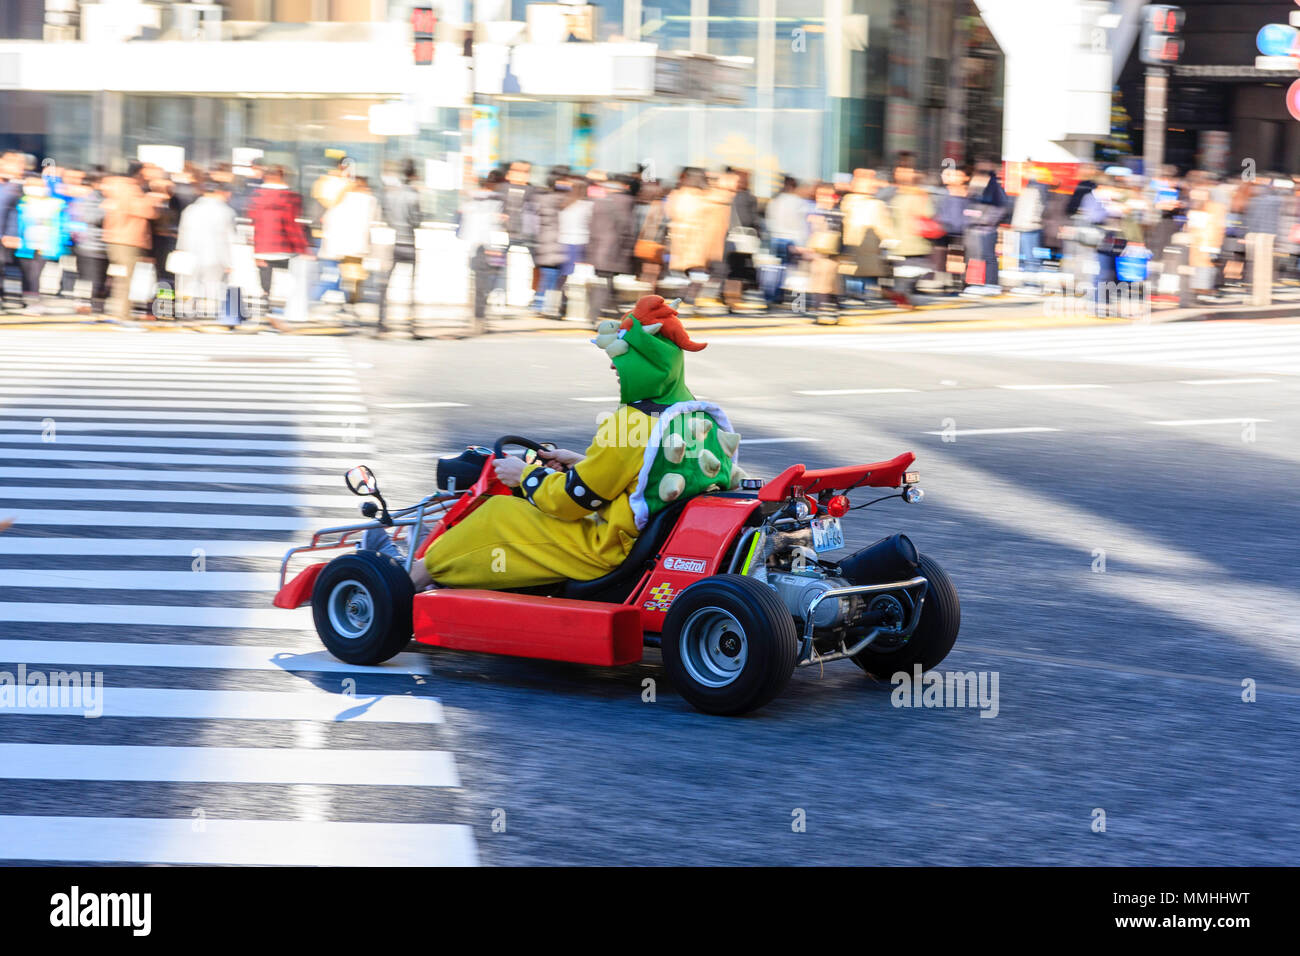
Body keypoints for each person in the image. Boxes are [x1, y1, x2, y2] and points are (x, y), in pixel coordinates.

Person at [366, 295, 743, 591]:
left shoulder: (631, 423)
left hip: (604, 548)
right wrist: (578, 460)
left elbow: (571, 503)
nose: (613, 367)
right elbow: (642, 473)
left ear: (648, 364)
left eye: (621, 359)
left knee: (497, 513)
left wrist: (524, 475)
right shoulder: (695, 417)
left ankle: (407, 581)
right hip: (644, 539)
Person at [248, 165, 311, 328]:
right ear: (282, 177)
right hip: (284, 246)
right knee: (287, 282)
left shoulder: (257, 196)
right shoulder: (291, 197)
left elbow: (252, 220)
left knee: (265, 282)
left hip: (262, 246)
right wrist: (303, 247)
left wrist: (255, 248)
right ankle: (279, 315)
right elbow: (291, 225)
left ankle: (266, 313)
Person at [101, 162, 160, 321]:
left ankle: (117, 312)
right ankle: (123, 315)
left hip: (114, 239)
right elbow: (148, 212)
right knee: (126, 280)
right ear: (138, 174)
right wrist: (152, 197)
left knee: (119, 279)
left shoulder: (114, 187)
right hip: (128, 240)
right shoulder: (131, 190)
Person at [174, 179, 238, 323]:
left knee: (188, 284)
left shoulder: (190, 209)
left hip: (190, 252)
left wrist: (180, 250)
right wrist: (229, 261)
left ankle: (185, 311)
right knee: (212, 284)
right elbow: (229, 238)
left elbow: (183, 232)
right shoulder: (226, 211)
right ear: (221, 192)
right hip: (215, 255)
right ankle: (209, 313)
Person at [378, 159, 423, 337]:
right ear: (413, 175)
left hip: (394, 242)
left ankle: (381, 321)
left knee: (385, 284)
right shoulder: (414, 195)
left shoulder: (391, 194)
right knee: (411, 285)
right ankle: (411, 324)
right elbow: (417, 221)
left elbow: (386, 215)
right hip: (409, 243)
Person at [13, 175, 70, 314]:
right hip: (24, 246)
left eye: (39, 185)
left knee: (34, 275)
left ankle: (34, 302)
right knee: (26, 275)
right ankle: (26, 301)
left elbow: (61, 225)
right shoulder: (21, 202)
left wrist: (58, 244)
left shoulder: (55, 203)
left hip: (44, 246)